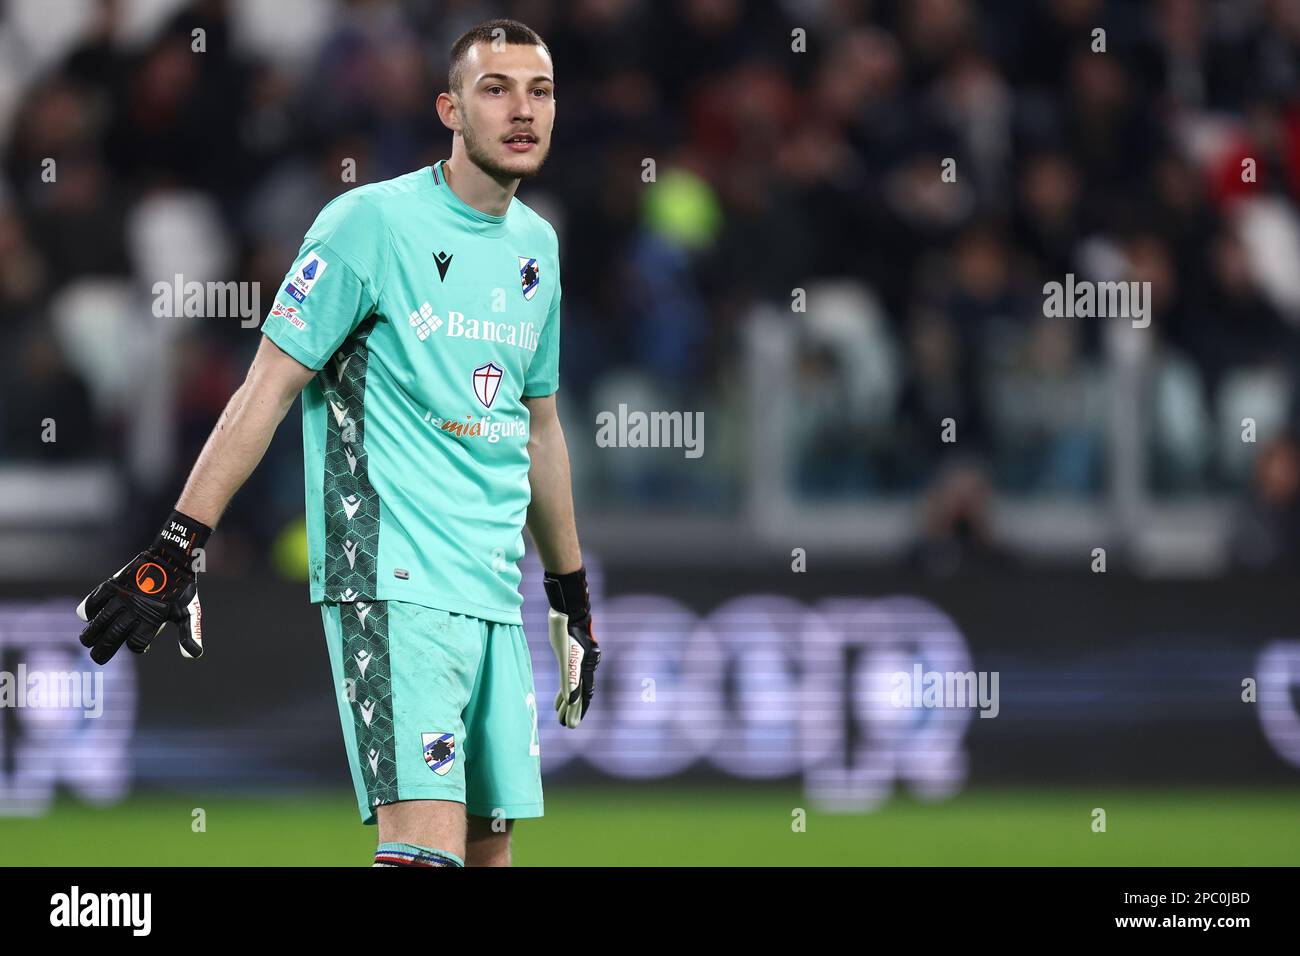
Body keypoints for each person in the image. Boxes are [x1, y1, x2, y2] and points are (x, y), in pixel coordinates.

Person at [74, 18, 599, 869]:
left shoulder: (537, 247)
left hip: (493, 587)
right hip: (393, 574)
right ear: (450, 110)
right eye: (494, 89)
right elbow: (265, 390)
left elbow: (539, 427)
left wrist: (569, 593)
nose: (521, 109)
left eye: (538, 91)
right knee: (424, 850)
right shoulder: (366, 224)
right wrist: (178, 544)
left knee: (488, 855)